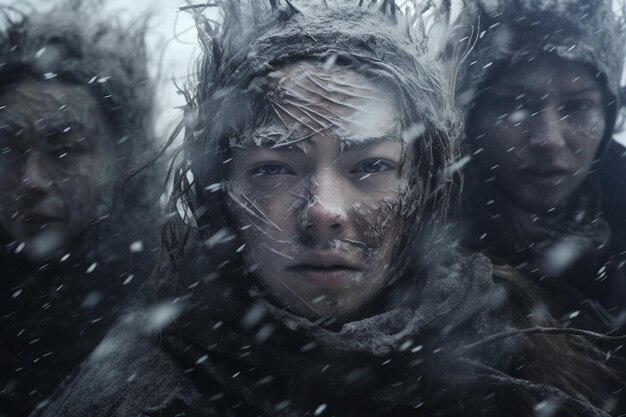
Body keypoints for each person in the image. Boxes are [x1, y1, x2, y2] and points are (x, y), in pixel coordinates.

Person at [32, 1, 623, 416]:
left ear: (422, 190)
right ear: (221, 198)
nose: (324, 211)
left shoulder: (518, 361)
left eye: (370, 166)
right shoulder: (137, 390)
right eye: (272, 169)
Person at [0, 4, 159, 416]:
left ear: (123, 158)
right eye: (8, 149)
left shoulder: (171, 284)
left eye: (65, 149)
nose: (31, 178)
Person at [454, 0, 626, 335]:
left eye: (577, 105)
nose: (548, 139)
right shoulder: (416, 248)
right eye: (512, 104)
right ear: (471, 119)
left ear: (607, 117)